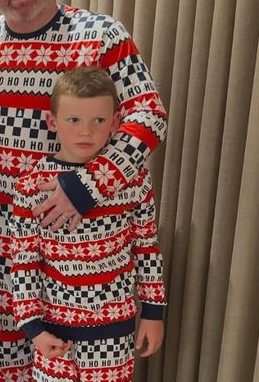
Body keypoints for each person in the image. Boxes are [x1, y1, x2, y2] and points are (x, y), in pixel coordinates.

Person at [0, 0, 168, 379]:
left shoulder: (102, 35)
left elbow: (148, 115)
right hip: (6, 249)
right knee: (13, 364)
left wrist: (86, 186)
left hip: (82, 254)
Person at [10, 66, 166, 381]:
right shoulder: (31, 185)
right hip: (54, 332)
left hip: (113, 333)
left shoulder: (133, 181)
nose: (86, 132)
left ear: (115, 122)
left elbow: (146, 247)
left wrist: (153, 312)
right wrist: (33, 327)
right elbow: (24, 261)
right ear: (52, 122)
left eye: (98, 120)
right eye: (74, 120)